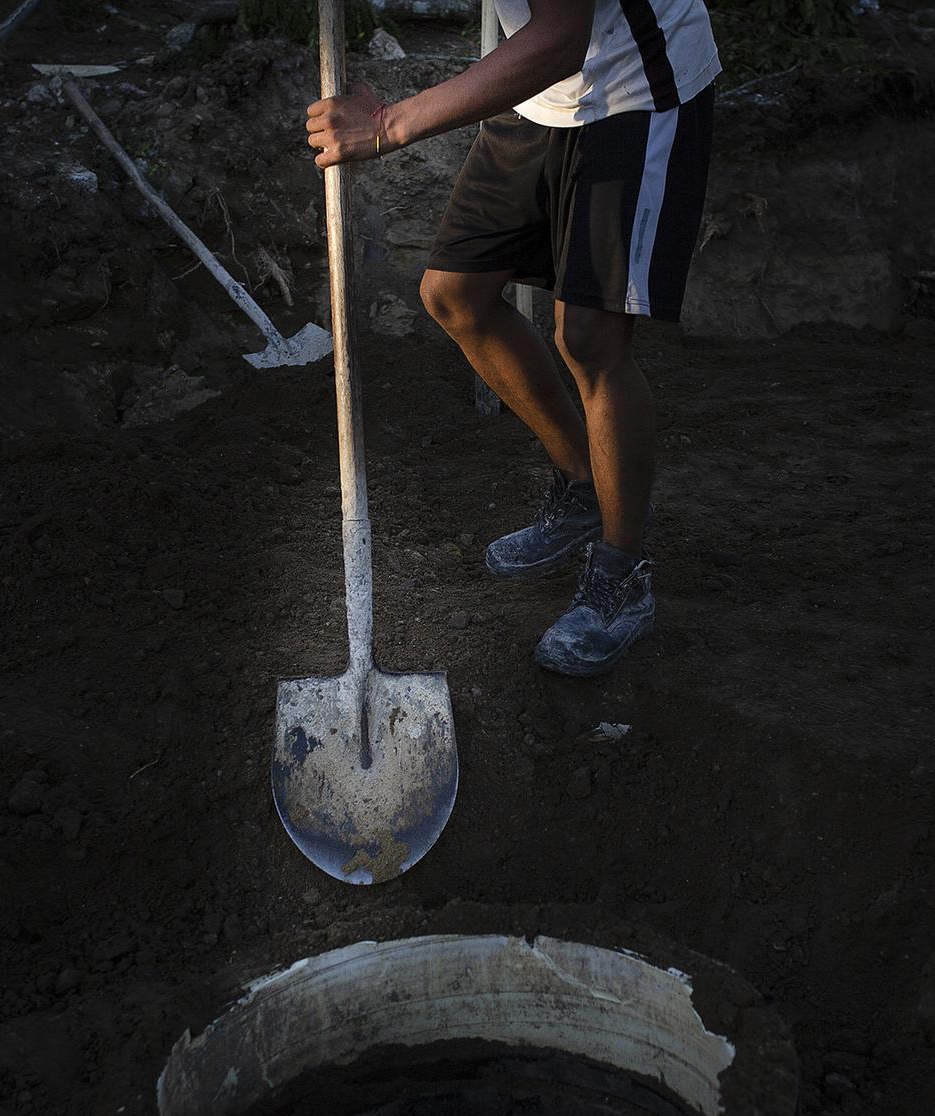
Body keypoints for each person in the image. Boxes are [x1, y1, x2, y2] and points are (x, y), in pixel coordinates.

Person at [306, 0, 719, 676]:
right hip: (541, 93)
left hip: (636, 84)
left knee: (589, 338)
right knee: (455, 295)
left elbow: (560, 36)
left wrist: (387, 124)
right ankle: (584, 486)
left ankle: (621, 576)